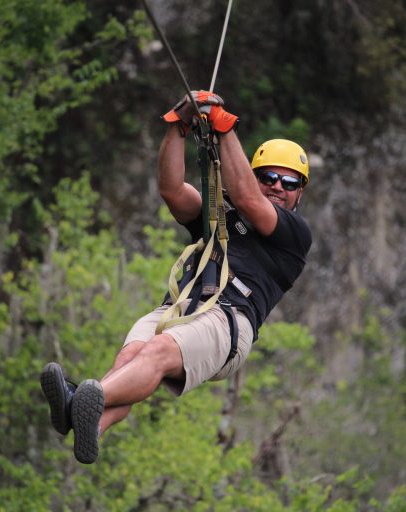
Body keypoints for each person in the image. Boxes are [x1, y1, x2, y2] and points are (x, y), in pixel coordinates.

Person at [40, 91, 313, 464]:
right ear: (254, 176)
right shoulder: (220, 214)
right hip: (182, 307)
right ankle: (91, 426)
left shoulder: (293, 234)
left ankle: (77, 402)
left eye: (289, 182)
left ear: (299, 194)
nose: (278, 186)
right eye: (267, 177)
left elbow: (251, 201)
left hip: (228, 319)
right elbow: (172, 190)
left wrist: (224, 129)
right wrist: (177, 127)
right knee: (130, 362)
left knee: (153, 353)